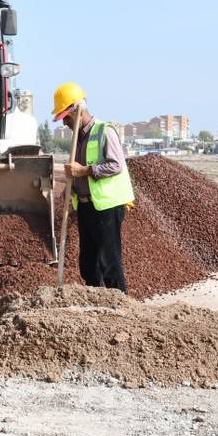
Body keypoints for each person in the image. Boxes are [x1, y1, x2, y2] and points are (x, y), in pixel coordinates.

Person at [52, 82, 134, 292]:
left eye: (66, 118)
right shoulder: (78, 138)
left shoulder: (103, 131)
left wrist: (84, 171)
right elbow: (76, 173)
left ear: (76, 110)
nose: (66, 124)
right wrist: (70, 192)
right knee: (88, 264)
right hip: (86, 207)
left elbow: (116, 164)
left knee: (109, 262)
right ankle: (96, 301)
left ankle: (119, 304)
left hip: (106, 206)